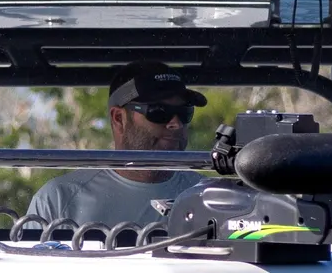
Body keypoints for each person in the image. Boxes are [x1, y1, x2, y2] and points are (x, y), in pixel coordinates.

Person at [24, 69, 204, 233]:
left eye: (185, 112)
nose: (176, 123)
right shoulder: (58, 199)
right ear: (118, 118)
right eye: (158, 112)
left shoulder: (209, 196)